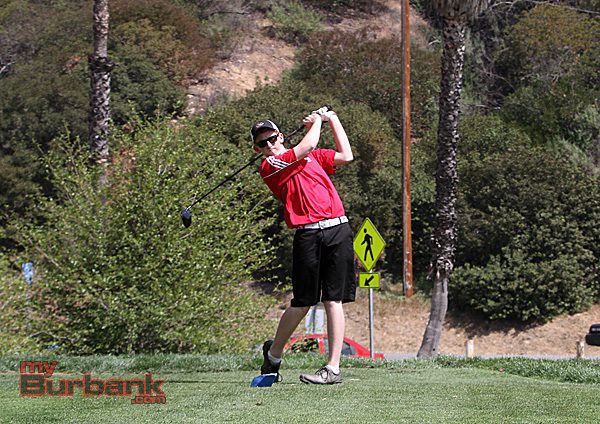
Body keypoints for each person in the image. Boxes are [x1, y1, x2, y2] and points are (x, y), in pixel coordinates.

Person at [250, 107, 356, 385]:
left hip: (338, 228)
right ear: (257, 149)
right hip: (308, 234)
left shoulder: (313, 157)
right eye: (262, 143)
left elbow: (346, 155)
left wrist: (332, 119)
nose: (269, 145)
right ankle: (273, 354)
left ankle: (333, 368)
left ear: (281, 137)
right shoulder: (270, 166)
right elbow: (306, 145)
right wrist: (318, 121)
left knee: (333, 299)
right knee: (303, 303)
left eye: (272, 139)